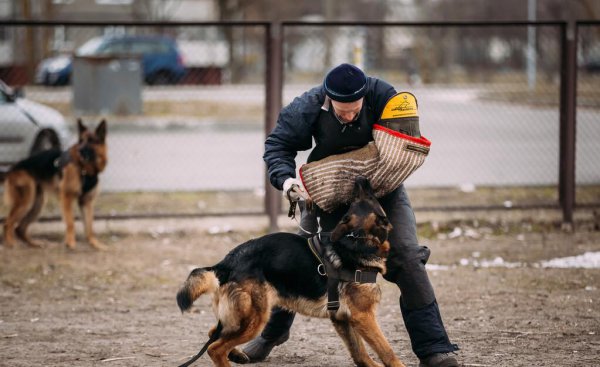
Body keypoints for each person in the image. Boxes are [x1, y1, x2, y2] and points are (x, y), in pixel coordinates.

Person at [246, 63, 459, 367]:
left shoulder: (382, 95)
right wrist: (287, 181)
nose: (348, 115)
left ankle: (434, 348)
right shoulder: (306, 106)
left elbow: (406, 139)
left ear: (364, 98)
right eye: (341, 111)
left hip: (383, 190)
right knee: (303, 256)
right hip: (330, 190)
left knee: (408, 258)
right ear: (328, 99)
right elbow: (277, 146)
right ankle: (271, 335)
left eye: (354, 110)